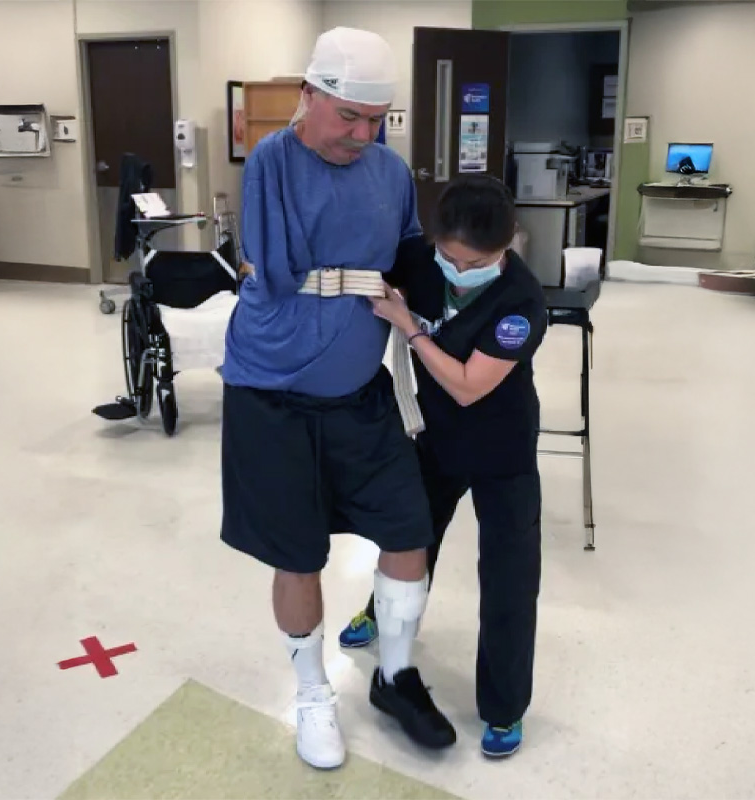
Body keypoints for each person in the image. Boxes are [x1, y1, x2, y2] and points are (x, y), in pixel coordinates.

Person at [220, 27, 456, 771]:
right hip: (274, 391)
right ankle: (312, 691)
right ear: (309, 96)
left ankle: (394, 674)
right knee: (297, 554)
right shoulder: (273, 161)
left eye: (376, 119)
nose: (362, 134)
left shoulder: (390, 171)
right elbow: (284, 272)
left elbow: (411, 253)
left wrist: (470, 284)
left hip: (361, 392)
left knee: (408, 531)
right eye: (347, 116)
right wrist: (364, 277)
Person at [338, 175, 548, 759]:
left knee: (509, 580)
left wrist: (410, 328)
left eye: (474, 262)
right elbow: (366, 267)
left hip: (502, 450)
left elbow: (465, 387)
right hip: (435, 440)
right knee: (411, 541)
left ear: (506, 248)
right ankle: (380, 613)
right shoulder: (424, 261)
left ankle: (504, 709)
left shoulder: (521, 303)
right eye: (449, 256)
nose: (457, 269)